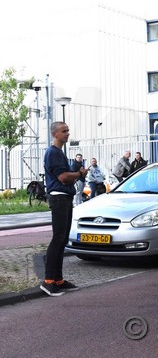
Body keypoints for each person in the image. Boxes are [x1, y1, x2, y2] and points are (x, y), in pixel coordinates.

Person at [41, 121, 88, 296]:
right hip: (59, 198)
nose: (67, 133)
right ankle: (48, 281)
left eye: (68, 130)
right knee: (58, 238)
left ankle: (58, 280)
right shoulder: (52, 153)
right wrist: (79, 174)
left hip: (65, 198)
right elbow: (63, 177)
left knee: (62, 239)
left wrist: (75, 175)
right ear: (55, 134)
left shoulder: (59, 153)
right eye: (64, 131)